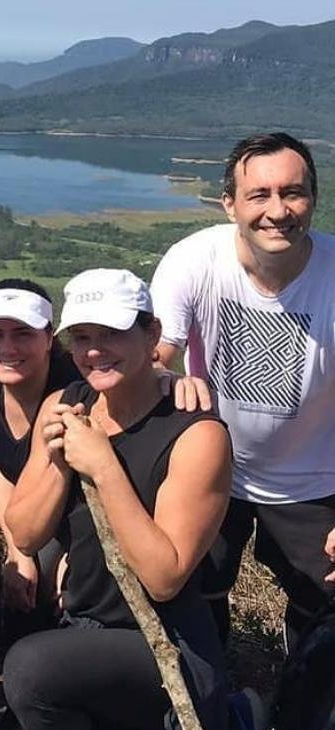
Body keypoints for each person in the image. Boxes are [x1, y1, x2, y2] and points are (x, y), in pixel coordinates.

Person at [2, 269, 232, 730]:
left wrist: (103, 465)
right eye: (82, 337)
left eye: (112, 334)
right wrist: (61, 459)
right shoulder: (64, 408)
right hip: (82, 624)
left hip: (163, 641)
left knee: (29, 668)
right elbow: (24, 531)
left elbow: (165, 576)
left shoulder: (196, 435)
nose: (94, 351)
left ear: (152, 335)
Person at [151, 131, 335, 653]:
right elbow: (156, 354)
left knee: (323, 607)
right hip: (214, 471)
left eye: (293, 193)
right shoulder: (195, 260)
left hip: (315, 476)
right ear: (229, 203)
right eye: (259, 195)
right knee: (193, 594)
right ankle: (213, 706)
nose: (278, 210)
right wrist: (165, 378)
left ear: (313, 199)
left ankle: (301, 715)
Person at [0, 279, 79, 730]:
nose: (7, 348)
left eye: (23, 334)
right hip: (29, 515)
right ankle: (19, 700)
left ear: (49, 336)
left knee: (53, 582)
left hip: (83, 518)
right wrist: (17, 551)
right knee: (17, 580)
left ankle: (54, 709)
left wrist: (66, 553)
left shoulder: (75, 390)